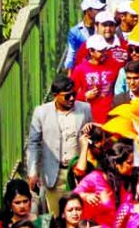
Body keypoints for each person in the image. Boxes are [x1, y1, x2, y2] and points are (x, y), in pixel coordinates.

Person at [26, 74, 93, 217]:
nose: (72, 99)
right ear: (56, 96)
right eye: (67, 96)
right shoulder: (41, 112)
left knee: (79, 215)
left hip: (77, 173)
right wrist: (33, 171)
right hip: (53, 174)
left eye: (74, 94)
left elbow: (91, 136)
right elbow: (33, 143)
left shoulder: (85, 109)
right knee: (57, 216)